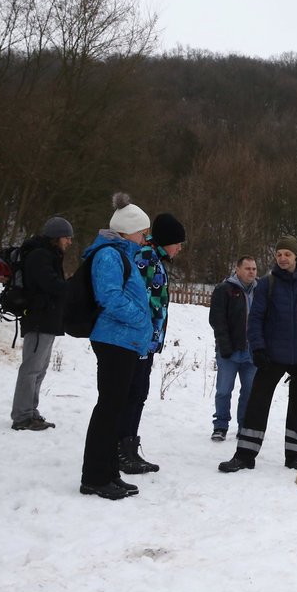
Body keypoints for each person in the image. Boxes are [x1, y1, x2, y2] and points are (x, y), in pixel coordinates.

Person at [218, 235, 297, 473]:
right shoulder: (266, 284)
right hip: (272, 355)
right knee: (257, 403)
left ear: (296, 256)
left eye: (287, 254)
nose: (282, 258)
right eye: (278, 254)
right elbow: (255, 319)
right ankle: (245, 455)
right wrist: (257, 347)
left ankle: (294, 456)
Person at [79, 193, 152, 500]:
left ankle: (108, 472)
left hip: (123, 340)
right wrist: (140, 318)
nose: (145, 237)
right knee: (108, 409)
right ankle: (95, 476)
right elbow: (109, 297)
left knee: (114, 408)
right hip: (114, 340)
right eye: (142, 232)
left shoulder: (121, 253)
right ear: (127, 230)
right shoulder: (109, 255)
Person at [116, 213, 186, 474]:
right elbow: (141, 301)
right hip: (137, 340)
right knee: (132, 395)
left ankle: (129, 447)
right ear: (166, 241)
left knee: (138, 394)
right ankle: (122, 449)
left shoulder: (154, 257)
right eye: (177, 243)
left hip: (147, 341)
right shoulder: (146, 258)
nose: (179, 248)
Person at [10, 217, 74, 431]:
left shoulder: (49, 254)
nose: (69, 242)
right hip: (39, 319)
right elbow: (50, 284)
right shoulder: (40, 256)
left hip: (46, 319)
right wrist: (71, 288)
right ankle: (22, 416)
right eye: (67, 237)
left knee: (40, 368)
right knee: (31, 368)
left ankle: (30, 411)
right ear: (56, 237)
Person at [209, 256, 258, 441]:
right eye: (247, 268)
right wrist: (225, 346)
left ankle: (244, 426)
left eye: (254, 268)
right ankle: (220, 425)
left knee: (249, 391)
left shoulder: (260, 290)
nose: (251, 272)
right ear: (237, 269)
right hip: (229, 351)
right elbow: (217, 319)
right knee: (223, 390)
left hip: (252, 353)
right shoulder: (224, 289)